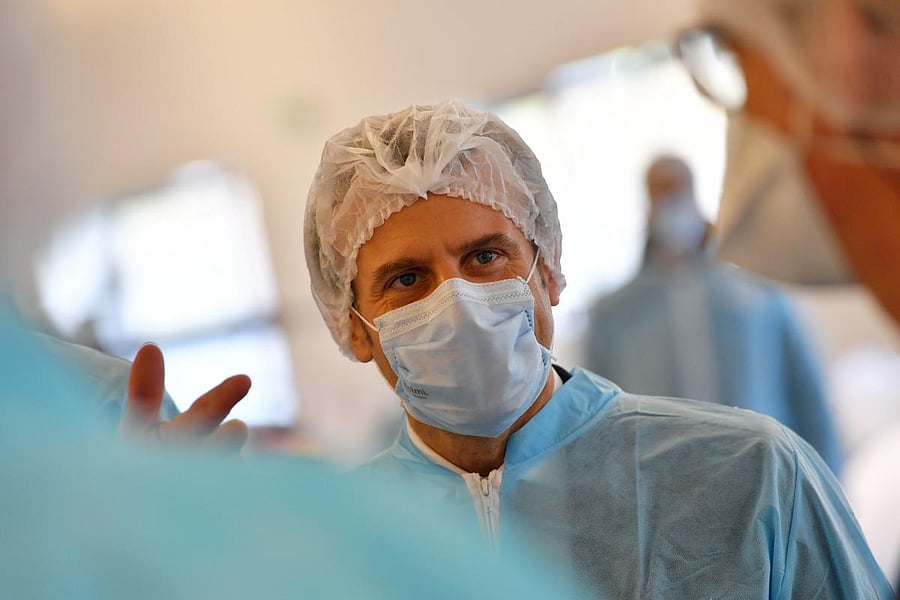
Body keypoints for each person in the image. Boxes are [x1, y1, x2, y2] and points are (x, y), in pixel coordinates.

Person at [303, 100, 893, 597]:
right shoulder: (319, 543)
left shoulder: (754, 477)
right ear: (353, 326)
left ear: (549, 272)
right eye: (406, 279)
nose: (457, 301)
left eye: (486, 257)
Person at [680, 0, 900, 586]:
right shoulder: (617, 316)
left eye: (731, 57)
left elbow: (810, 412)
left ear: (854, 34)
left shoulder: (758, 302)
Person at [584, 154, 842, 472]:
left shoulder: (757, 295)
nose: (673, 207)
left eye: (679, 191)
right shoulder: (615, 316)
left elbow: (809, 399)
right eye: (662, 195)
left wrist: (828, 483)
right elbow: (598, 426)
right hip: (666, 492)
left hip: (765, 477)